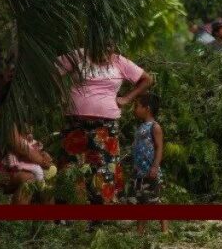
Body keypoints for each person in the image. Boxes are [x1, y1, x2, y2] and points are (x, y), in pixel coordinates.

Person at [56, 49, 154, 204]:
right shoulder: (78, 55)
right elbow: (51, 71)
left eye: (110, 45)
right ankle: (69, 217)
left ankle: (98, 218)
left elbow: (147, 79)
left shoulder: (119, 61)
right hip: (75, 122)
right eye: (102, 44)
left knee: (104, 169)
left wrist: (127, 98)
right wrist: (61, 93)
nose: (106, 49)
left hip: (105, 125)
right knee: (71, 167)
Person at [132, 93, 167, 234]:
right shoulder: (141, 127)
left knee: (154, 200)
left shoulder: (155, 127)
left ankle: (165, 229)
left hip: (150, 170)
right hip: (140, 171)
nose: (135, 109)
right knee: (142, 201)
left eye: (137, 106)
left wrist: (155, 166)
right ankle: (140, 231)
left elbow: (159, 147)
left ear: (147, 108)